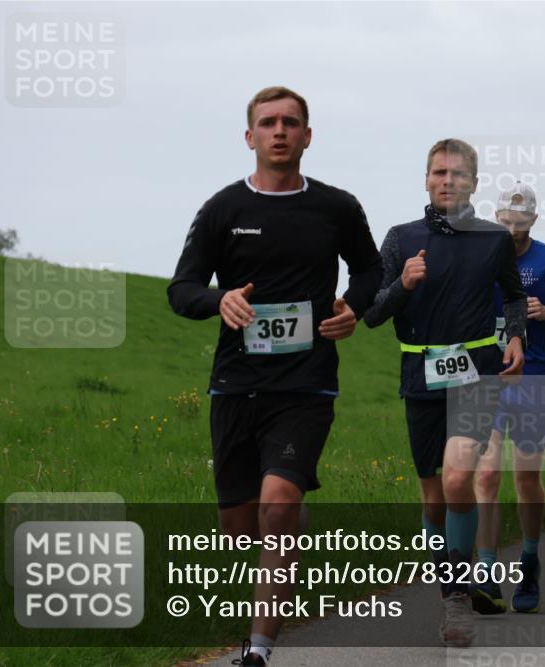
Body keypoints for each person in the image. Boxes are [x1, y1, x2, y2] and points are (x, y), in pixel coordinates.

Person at [167, 86, 382, 667]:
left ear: (308, 136)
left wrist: (352, 309)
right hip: (236, 384)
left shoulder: (337, 207)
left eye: (291, 122)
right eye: (268, 123)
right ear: (250, 137)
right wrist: (221, 301)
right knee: (241, 528)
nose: (280, 131)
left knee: (278, 503)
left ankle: (259, 648)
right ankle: (287, 530)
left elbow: (370, 270)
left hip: (306, 383)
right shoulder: (223, 210)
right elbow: (181, 289)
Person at [363, 138, 526, 647]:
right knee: (434, 498)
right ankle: (452, 584)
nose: (447, 180)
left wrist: (516, 334)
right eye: (438, 172)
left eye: (457, 174)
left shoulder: (494, 238)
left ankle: (456, 598)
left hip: (477, 371)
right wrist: (404, 285)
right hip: (421, 374)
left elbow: (515, 295)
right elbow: (372, 312)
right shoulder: (400, 238)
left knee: (459, 479)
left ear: (473, 183)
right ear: (427, 179)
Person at [472, 182, 545, 616]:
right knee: (485, 476)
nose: (511, 229)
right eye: (504, 221)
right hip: (488, 378)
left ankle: (530, 559)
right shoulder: (481, 254)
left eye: (520, 223)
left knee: (525, 479)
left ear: (534, 221)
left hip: (534, 379)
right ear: (495, 217)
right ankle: (485, 574)